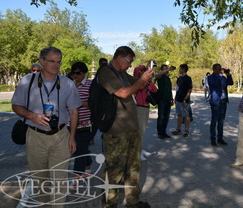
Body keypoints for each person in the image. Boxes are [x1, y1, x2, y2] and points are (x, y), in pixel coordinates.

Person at [11, 46, 82, 207]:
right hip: (35, 136)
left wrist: (72, 137)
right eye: (52, 61)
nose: (56, 65)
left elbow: (73, 112)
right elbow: (16, 105)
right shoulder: (28, 80)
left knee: (60, 180)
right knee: (39, 179)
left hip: (60, 136)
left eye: (59, 62)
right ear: (42, 61)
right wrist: (32, 116)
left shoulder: (67, 83)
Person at [97, 46, 153, 208]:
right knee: (114, 169)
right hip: (116, 130)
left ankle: (132, 200)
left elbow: (139, 85)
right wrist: (142, 80)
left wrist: (146, 77)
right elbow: (123, 93)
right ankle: (109, 203)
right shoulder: (106, 72)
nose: (130, 65)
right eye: (129, 61)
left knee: (134, 166)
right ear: (120, 57)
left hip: (131, 128)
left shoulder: (122, 73)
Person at [70, 62, 95, 183]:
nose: (75, 75)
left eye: (78, 73)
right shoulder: (70, 84)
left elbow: (94, 104)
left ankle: (76, 176)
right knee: (82, 148)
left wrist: (77, 102)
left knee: (79, 149)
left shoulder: (91, 84)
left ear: (84, 72)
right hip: (71, 123)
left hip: (88, 123)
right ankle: (88, 167)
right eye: (73, 73)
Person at [133, 62, 158, 161]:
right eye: (142, 71)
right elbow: (140, 87)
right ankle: (137, 152)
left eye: (144, 71)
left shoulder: (147, 82)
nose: (144, 72)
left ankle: (140, 149)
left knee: (142, 131)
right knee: (139, 131)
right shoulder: (136, 82)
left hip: (146, 107)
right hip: (138, 108)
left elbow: (155, 90)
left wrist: (150, 80)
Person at [208, 64, 233, 146]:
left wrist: (228, 74)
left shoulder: (222, 77)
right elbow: (214, 85)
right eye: (219, 69)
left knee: (221, 121)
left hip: (223, 101)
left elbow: (230, 83)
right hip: (215, 102)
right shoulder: (210, 77)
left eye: (221, 69)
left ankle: (220, 138)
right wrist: (220, 76)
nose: (221, 71)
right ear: (214, 70)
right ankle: (213, 139)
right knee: (214, 121)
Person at [172, 64, 192, 138]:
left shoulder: (188, 78)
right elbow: (177, 88)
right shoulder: (179, 78)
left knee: (186, 116)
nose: (179, 70)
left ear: (184, 69)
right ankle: (178, 129)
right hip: (178, 99)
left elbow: (189, 90)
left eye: (180, 69)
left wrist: (185, 99)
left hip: (184, 101)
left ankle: (186, 131)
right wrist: (175, 98)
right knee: (179, 115)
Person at [155, 64, 174, 139]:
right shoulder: (160, 77)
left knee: (166, 117)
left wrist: (172, 99)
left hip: (168, 99)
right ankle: (160, 133)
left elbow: (169, 89)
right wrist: (166, 70)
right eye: (165, 69)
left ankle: (164, 131)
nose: (167, 70)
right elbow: (157, 75)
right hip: (162, 99)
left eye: (167, 68)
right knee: (161, 116)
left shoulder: (168, 78)